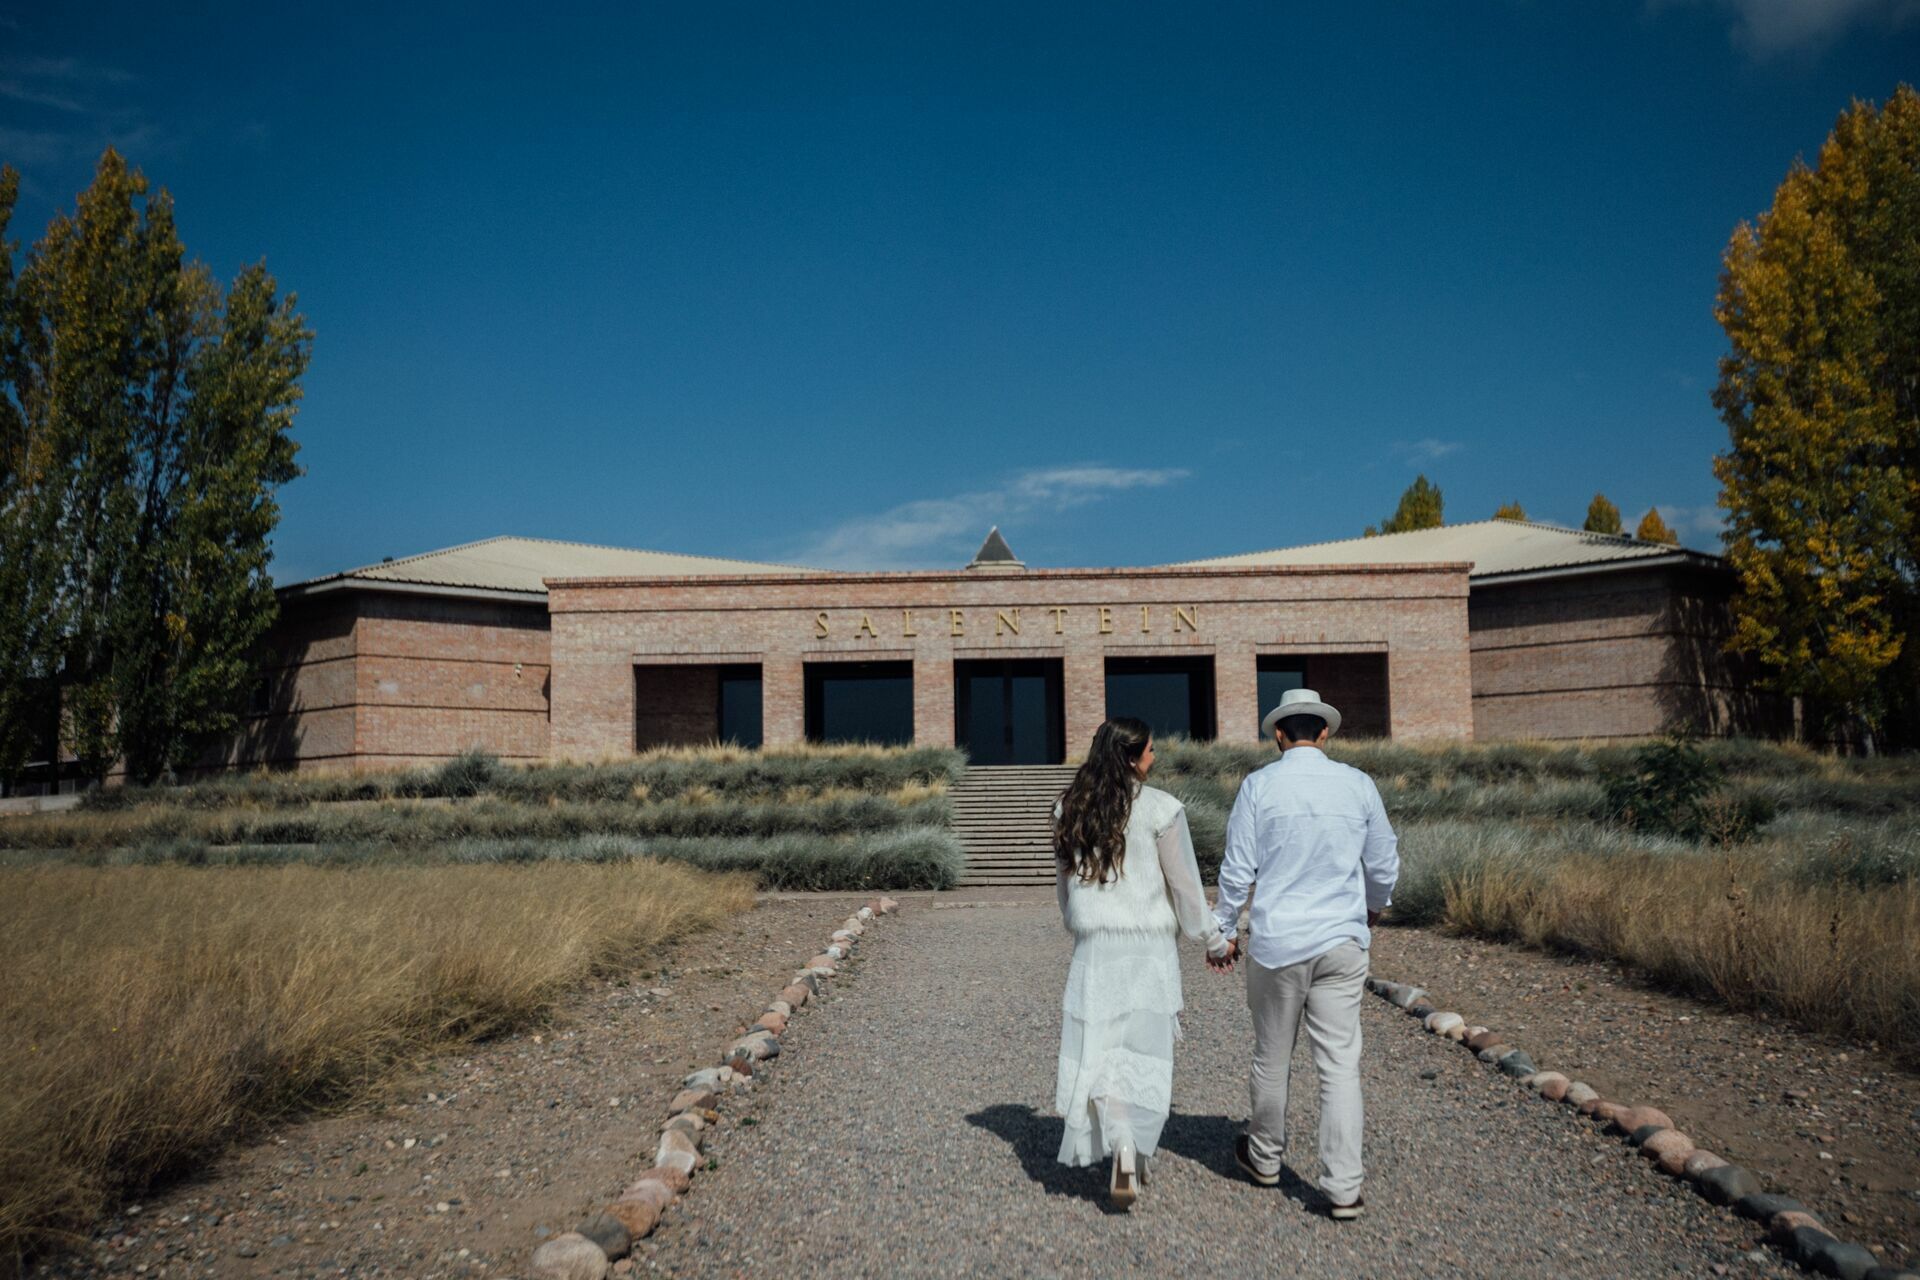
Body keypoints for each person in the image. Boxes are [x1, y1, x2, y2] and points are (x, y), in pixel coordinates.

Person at [1213, 687, 1398, 1220]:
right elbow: (1383, 861)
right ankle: (1344, 1188)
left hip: (1279, 943)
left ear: (1277, 733)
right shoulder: (1359, 785)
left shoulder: (1258, 786)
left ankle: (1265, 1157)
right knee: (1340, 1065)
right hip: (1342, 939)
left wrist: (1226, 928)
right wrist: (1373, 909)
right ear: (1323, 733)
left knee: (1272, 1056)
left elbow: (1237, 868)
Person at [1052, 716, 1234, 1209]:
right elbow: (1186, 888)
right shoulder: (1161, 809)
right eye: (1150, 750)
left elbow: (1066, 890)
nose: (1156, 757)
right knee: (1145, 1053)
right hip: (1151, 950)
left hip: (1097, 949)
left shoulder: (1069, 808)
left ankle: (1122, 1144)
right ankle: (1134, 1147)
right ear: (1132, 758)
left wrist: (1080, 926)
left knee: (1099, 1053)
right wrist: (1214, 941)